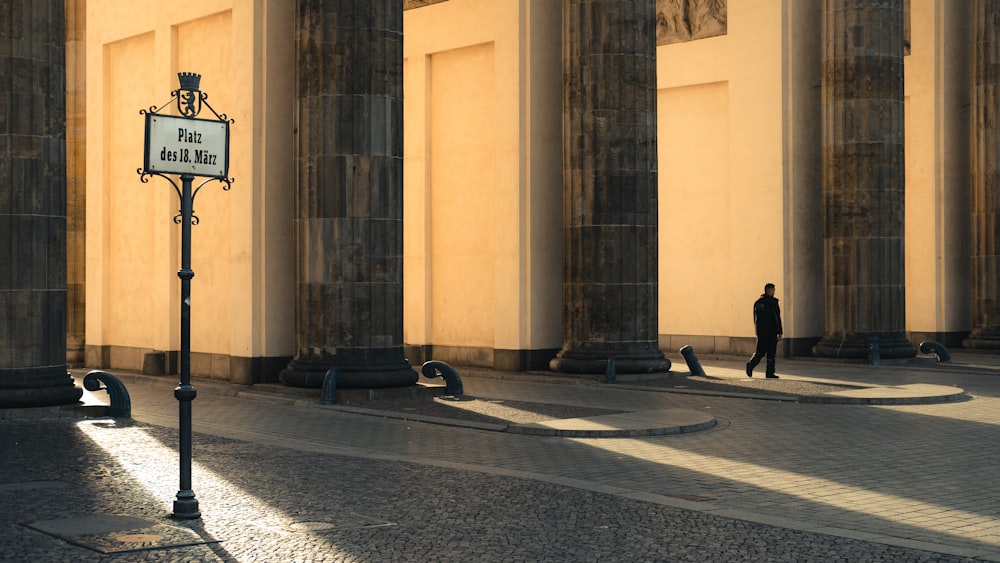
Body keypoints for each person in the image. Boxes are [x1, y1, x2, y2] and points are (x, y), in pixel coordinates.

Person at [746, 283, 783, 379]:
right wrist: (780, 331)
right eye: (773, 290)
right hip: (771, 331)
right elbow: (776, 317)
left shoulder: (758, 302)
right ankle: (769, 373)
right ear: (771, 291)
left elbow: (755, 318)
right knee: (771, 353)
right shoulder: (772, 302)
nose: (774, 292)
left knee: (760, 352)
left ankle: (751, 364)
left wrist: (757, 329)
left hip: (761, 331)